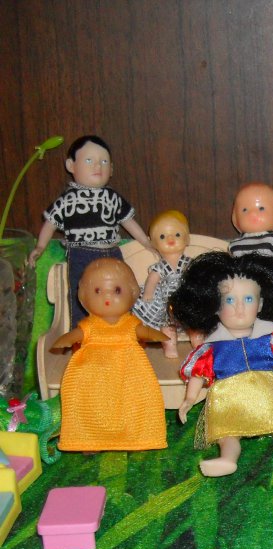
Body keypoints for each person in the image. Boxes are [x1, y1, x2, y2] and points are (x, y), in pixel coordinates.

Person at [171, 251, 273, 477]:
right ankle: (227, 460)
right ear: (216, 306)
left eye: (248, 299)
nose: (239, 308)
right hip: (229, 399)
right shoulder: (213, 346)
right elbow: (199, 372)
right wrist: (189, 399)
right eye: (229, 300)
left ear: (260, 304)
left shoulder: (272, 336)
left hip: (268, 395)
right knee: (227, 436)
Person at [29, 135, 154, 326]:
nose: (97, 166)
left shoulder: (112, 198)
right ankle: (83, 334)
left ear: (111, 169)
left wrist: (146, 241)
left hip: (111, 253)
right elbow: (50, 224)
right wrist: (40, 246)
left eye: (104, 162)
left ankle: (122, 330)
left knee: (120, 289)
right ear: (71, 166)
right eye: (89, 160)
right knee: (82, 294)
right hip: (81, 254)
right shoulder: (67, 200)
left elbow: (128, 222)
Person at [51, 258, 168, 451]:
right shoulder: (90, 326)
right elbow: (77, 335)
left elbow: (144, 331)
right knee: (89, 403)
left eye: (117, 290)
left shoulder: (130, 324)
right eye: (98, 291)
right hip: (93, 373)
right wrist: (65, 339)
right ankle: (90, 439)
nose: (107, 297)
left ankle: (136, 437)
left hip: (128, 371)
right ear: (84, 296)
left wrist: (155, 334)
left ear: (132, 293)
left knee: (135, 402)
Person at [132, 210, 201, 357]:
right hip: (165, 301)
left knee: (194, 322)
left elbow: (196, 278)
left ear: (187, 239)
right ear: (153, 243)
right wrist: (148, 294)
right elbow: (152, 280)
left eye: (177, 235)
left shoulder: (189, 264)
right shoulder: (160, 267)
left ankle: (198, 343)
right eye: (162, 236)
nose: (170, 239)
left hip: (186, 299)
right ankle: (170, 346)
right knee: (167, 325)